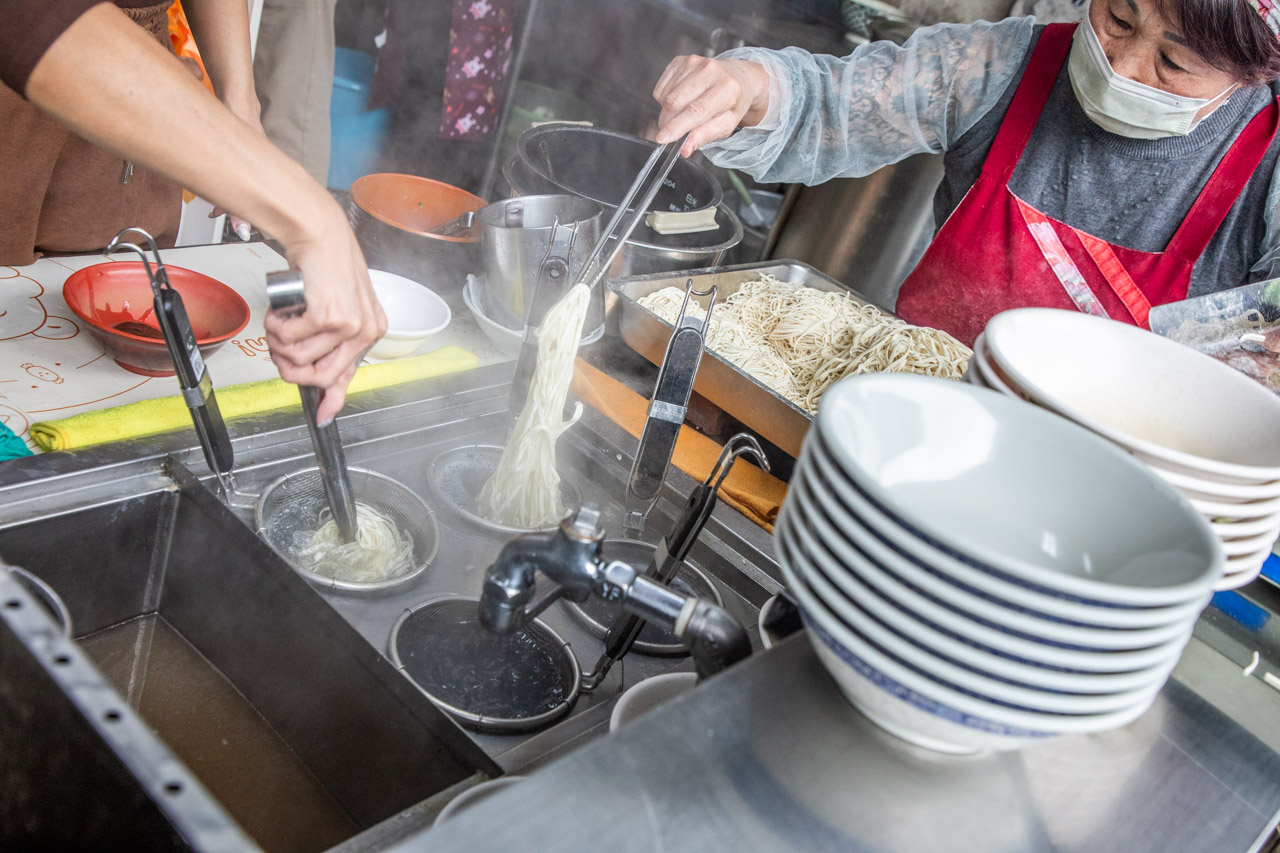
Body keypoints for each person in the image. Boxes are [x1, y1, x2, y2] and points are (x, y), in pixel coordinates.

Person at [652, 0, 1280, 346]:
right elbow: (831, 102)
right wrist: (746, 86)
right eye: (1118, 19)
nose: (1123, 65)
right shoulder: (1004, 64)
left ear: (1252, 75)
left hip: (1110, 511)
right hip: (918, 418)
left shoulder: (1268, 168)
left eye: (1172, 62)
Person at [1, 0, 386, 422]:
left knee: (90, 374)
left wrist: (239, 99)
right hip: (22, 85)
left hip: (142, 93)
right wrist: (307, 214)